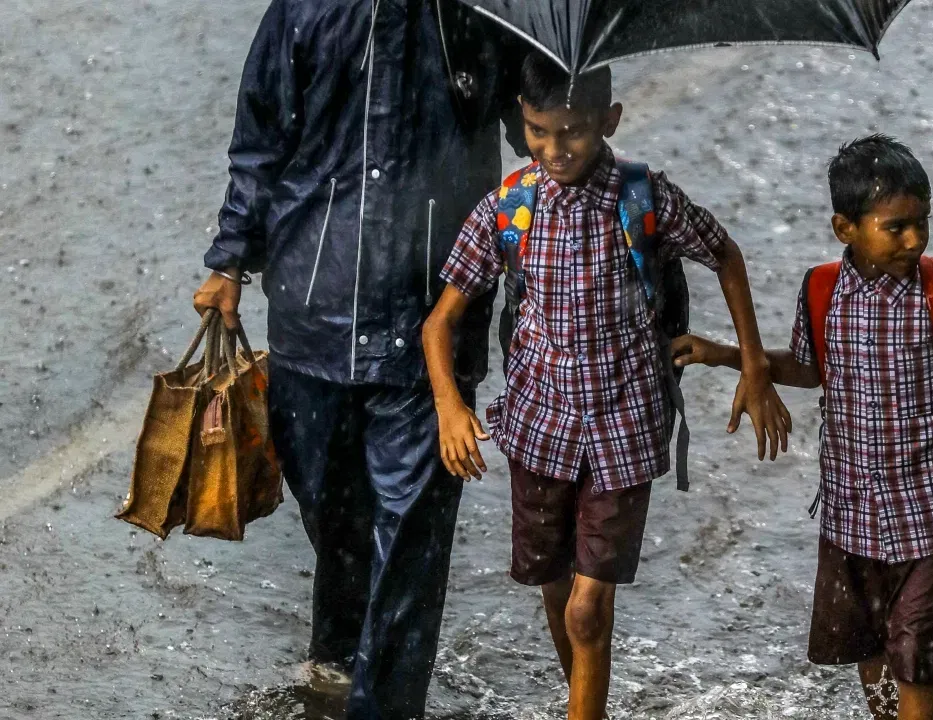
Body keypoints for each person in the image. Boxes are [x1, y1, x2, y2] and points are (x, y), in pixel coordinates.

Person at [422, 54, 791, 720]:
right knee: (553, 583)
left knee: (589, 609)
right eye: (539, 131)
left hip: (625, 424)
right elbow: (439, 322)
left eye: (574, 132)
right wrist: (450, 407)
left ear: (609, 121)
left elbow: (725, 253)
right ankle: (583, 702)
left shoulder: (644, 197)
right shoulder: (511, 205)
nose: (555, 149)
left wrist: (756, 365)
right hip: (539, 424)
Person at [190, 1, 526, 718]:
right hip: (315, 308)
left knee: (409, 537)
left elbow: (547, 122)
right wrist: (229, 260)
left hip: (433, 321)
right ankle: (336, 668)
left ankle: (386, 704)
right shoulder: (306, 11)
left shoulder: (484, 16)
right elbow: (259, 138)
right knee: (334, 513)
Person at [671, 135, 933, 720]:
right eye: (896, 227)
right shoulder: (821, 290)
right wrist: (730, 354)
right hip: (849, 514)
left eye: (923, 223)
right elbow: (810, 369)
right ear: (846, 228)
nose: (914, 240)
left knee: (914, 657)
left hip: (929, 517)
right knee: (871, 656)